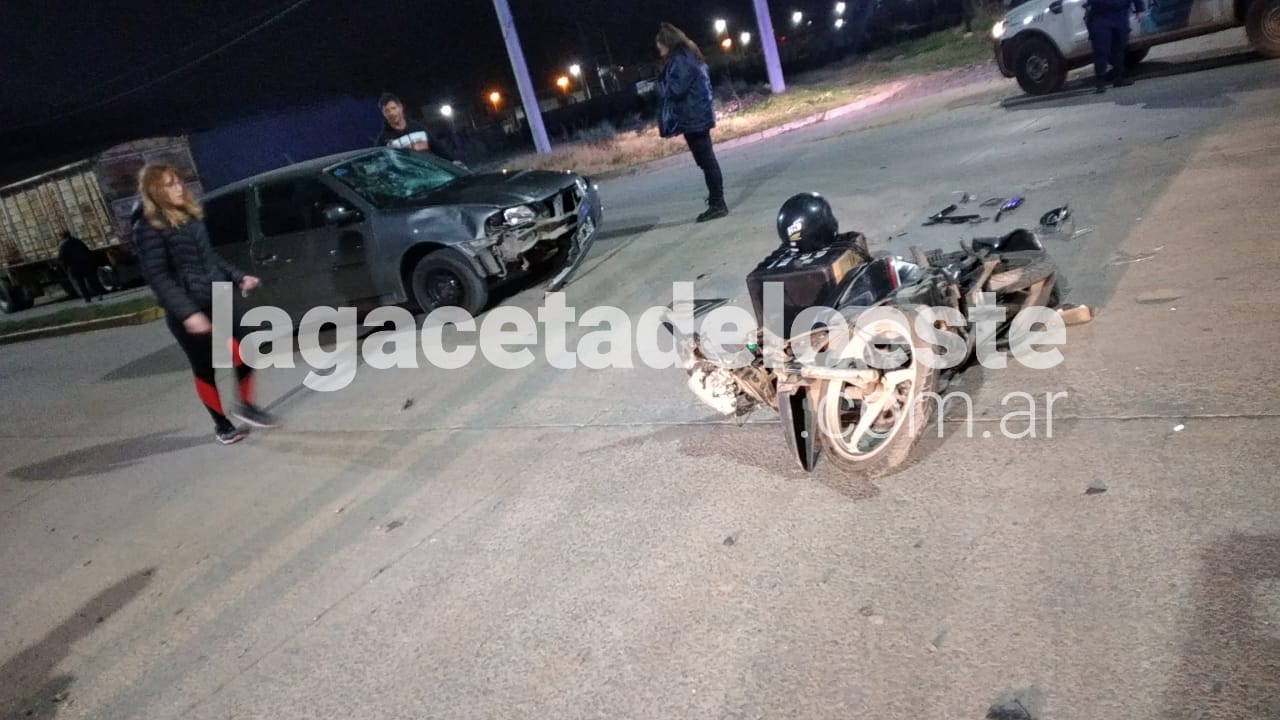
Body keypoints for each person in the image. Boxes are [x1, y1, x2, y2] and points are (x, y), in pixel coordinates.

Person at [131, 164, 278, 445]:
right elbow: (158, 277)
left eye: (178, 182)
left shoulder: (189, 215)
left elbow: (210, 258)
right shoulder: (148, 228)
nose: (178, 188)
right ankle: (221, 424)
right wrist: (188, 313)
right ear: (155, 191)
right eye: (169, 185)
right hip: (188, 307)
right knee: (205, 367)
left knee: (245, 349)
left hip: (217, 296)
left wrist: (238, 277)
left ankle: (246, 406)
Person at [655, 22, 728, 223]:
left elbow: (676, 90)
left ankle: (718, 204)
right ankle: (716, 202)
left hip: (694, 118)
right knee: (706, 161)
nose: (658, 49)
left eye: (659, 45)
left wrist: (659, 87)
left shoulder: (681, 59)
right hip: (696, 116)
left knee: (707, 162)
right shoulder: (688, 54)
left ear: (667, 42)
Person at [1085, 0, 1145, 93]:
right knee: (1101, 50)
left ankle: (1119, 78)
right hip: (1100, 15)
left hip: (1120, 14)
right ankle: (1100, 82)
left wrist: (1139, 9)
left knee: (1119, 49)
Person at [57, 230, 102, 303]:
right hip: (85, 264)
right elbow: (87, 250)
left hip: (74, 266)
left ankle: (87, 298)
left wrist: (66, 267)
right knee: (91, 280)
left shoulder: (63, 245)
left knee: (81, 283)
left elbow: (61, 258)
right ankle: (98, 294)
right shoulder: (78, 241)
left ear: (62, 237)